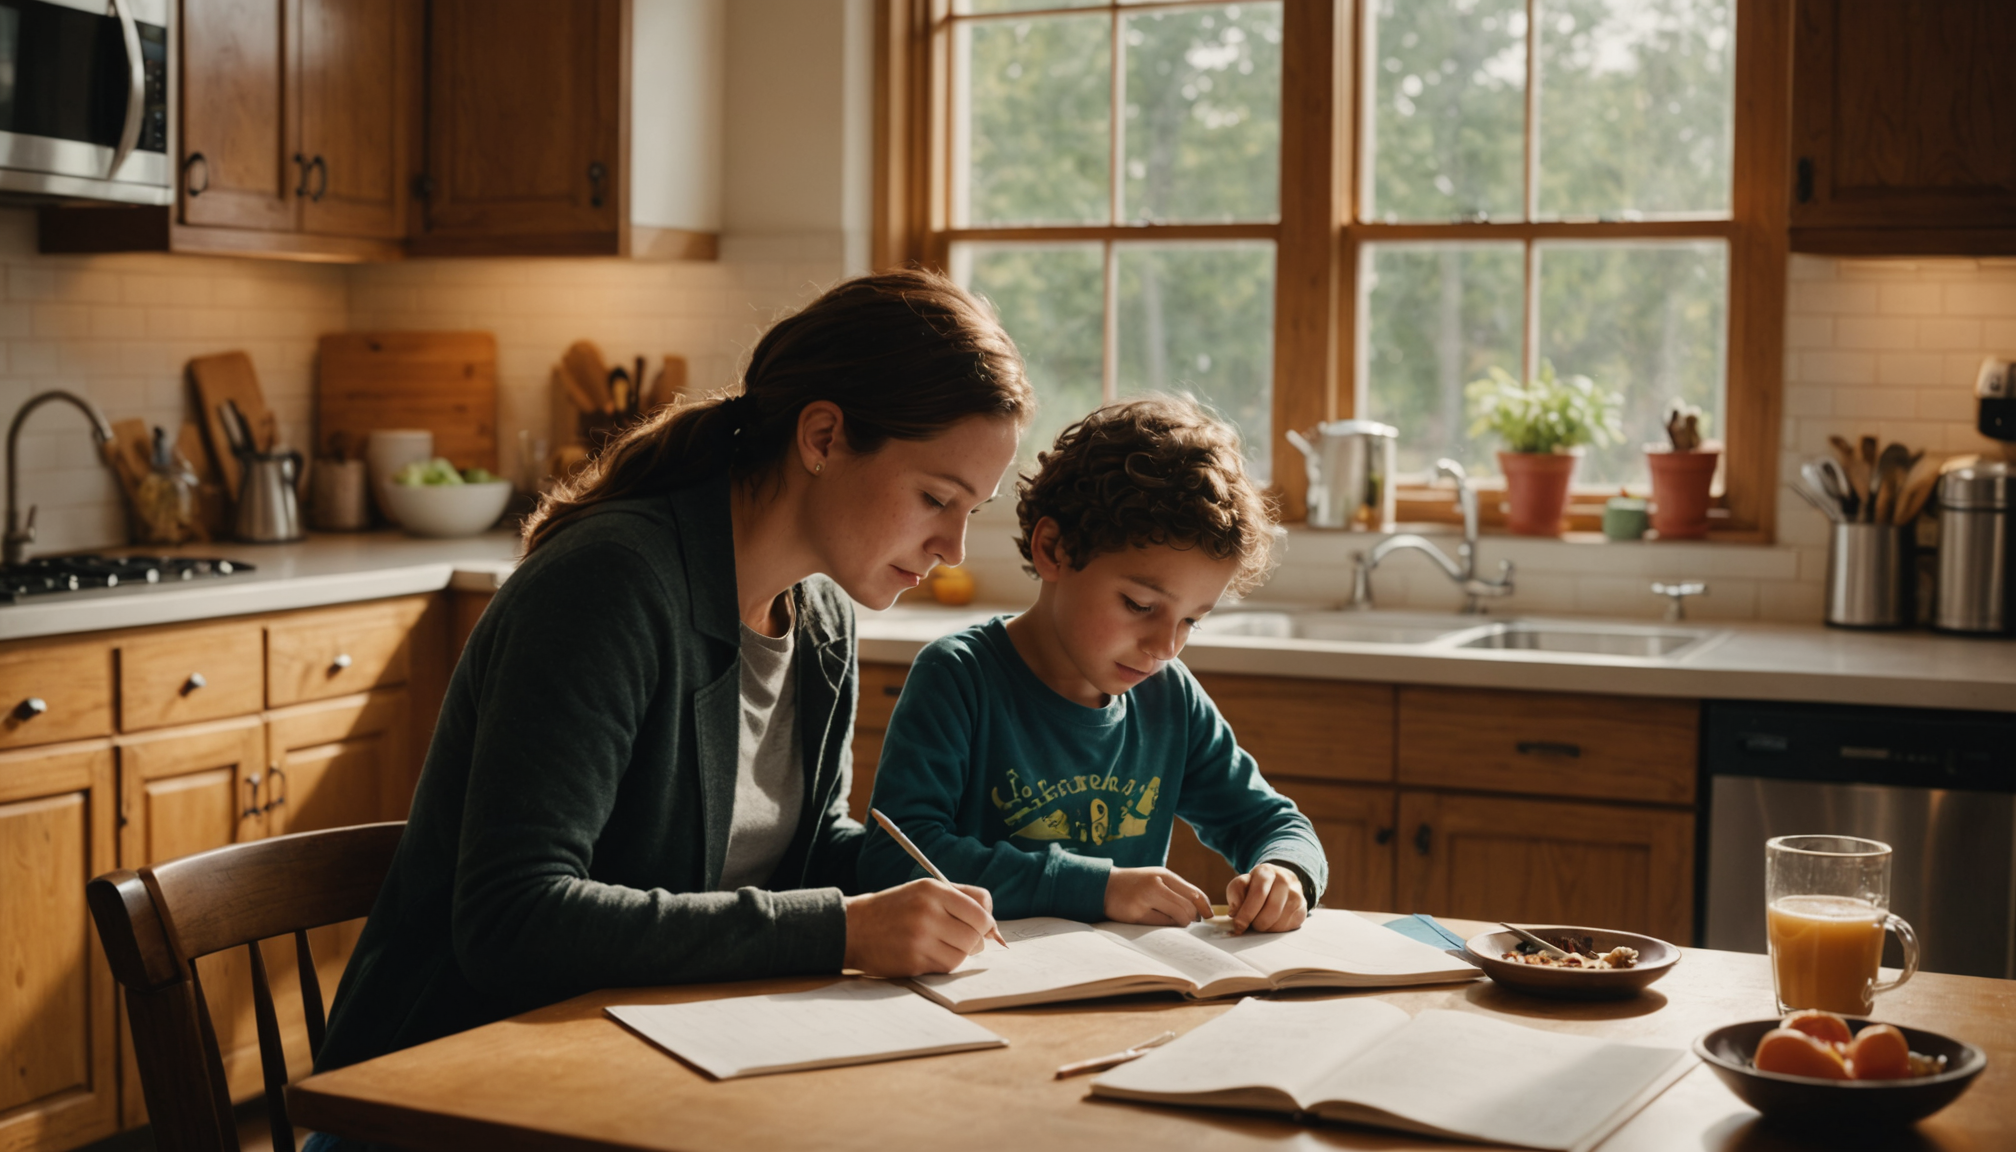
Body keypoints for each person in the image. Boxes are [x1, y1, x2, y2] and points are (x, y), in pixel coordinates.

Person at [302, 271, 1034, 1149]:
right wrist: (844, 927)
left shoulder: (823, 613)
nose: (952, 546)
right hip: (458, 1100)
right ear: (824, 435)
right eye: (935, 498)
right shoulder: (610, 586)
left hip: (652, 1073)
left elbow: (803, 852)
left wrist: (1047, 890)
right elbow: (515, 921)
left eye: (971, 512)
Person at [858, 396, 1326, 936]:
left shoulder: (1167, 697)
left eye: (1191, 621)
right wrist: (1096, 888)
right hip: (979, 987)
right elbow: (897, 861)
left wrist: (1287, 873)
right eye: (1140, 606)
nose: (1165, 647)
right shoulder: (959, 677)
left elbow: (1274, 824)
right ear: (1053, 549)